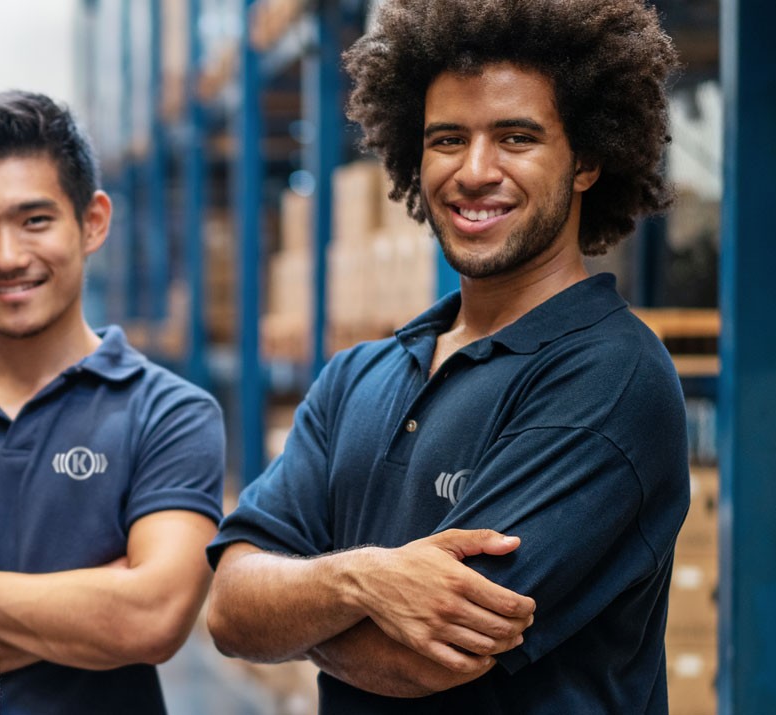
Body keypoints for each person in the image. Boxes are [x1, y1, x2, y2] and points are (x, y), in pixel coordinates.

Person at [203, 0, 687, 711]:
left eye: (516, 137)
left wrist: (293, 616)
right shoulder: (358, 375)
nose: (475, 171)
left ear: (585, 159)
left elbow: (422, 659)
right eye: (448, 139)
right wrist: (362, 579)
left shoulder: (611, 378)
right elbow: (228, 607)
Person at [0, 91, 225, 714]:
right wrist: (97, 602)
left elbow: (153, 618)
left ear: (92, 222)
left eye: (35, 221)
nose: (7, 257)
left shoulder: (169, 414)